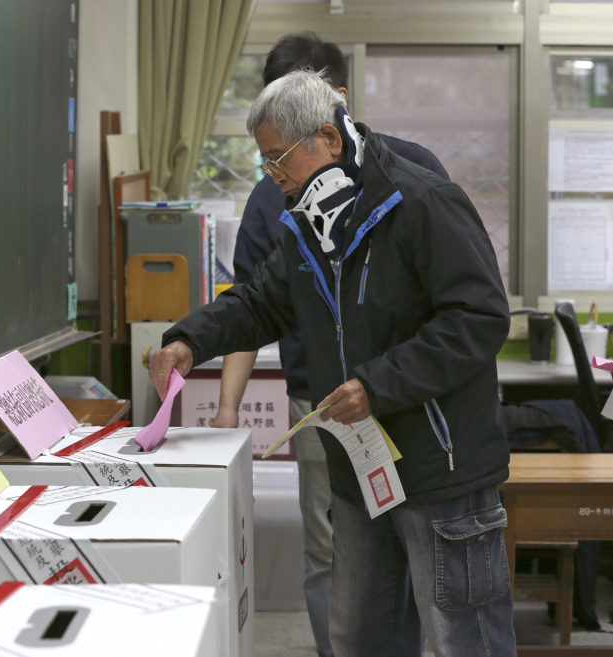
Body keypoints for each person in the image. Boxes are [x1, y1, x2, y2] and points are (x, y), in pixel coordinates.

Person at [151, 70, 515, 657]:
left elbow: (478, 319)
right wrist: (188, 342)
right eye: (266, 164)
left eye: (279, 160)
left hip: (441, 470)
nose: (276, 179)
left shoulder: (423, 202)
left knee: (462, 640)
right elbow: (261, 301)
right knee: (360, 639)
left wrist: (376, 384)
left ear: (328, 137)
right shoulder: (307, 227)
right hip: (362, 473)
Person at [212, 32, 449, 657]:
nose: (278, 167)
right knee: (336, 548)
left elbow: (461, 306)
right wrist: (227, 412)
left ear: (337, 106)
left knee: (417, 541)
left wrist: (394, 379)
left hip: (406, 398)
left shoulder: (412, 173)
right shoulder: (274, 197)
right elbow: (251, 305)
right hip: (318, 401)